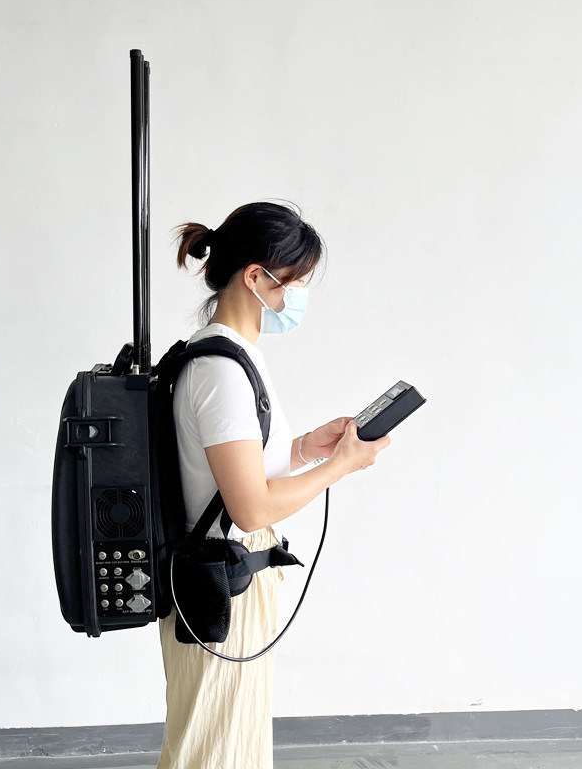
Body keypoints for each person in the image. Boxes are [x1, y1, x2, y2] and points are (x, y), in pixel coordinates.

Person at [157, 201, 391, 769]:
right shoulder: (221, 371)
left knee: (226, 745)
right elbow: (251, 506)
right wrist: (339, 468)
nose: (299, 295)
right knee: (215, 753)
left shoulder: (233, 357)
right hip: (223, 585)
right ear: (256, 277)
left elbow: (237, 471)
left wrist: (309, 447)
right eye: (296, 280)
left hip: (230, 578)